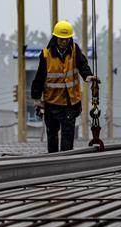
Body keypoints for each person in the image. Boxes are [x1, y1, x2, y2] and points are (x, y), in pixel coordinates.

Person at [31, 20, 98, 153]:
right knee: (52, 136)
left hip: (70, 103)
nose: (64, 42)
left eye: (67, 39)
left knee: (68, 136)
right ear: (56, 38)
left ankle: (66, 161)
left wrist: (88, 76)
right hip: (52, 103)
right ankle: (53, 162)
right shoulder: (46, 55)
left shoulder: (75, 50)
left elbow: (82, 65)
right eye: (61, 39)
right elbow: (39, 78)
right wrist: (37, 99)